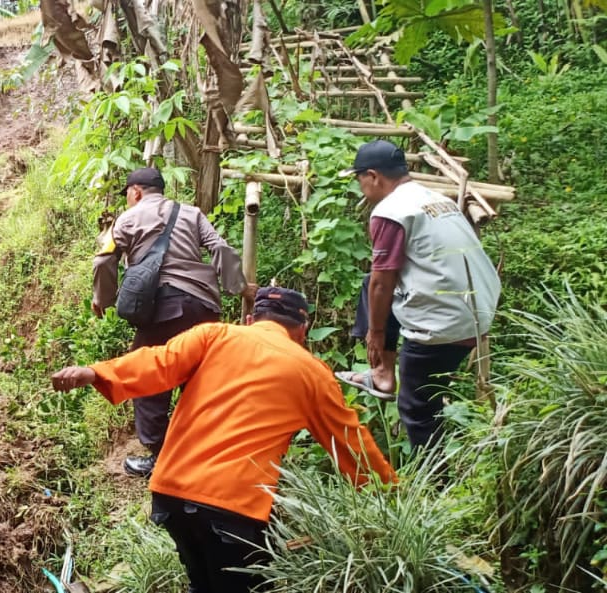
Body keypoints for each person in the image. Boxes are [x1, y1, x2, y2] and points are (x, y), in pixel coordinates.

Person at [51, 287, 397, 593]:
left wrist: (98, 372)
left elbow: (157, 363)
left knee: (203, 583)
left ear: (250, 318)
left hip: (170, 493)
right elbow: (352, 445)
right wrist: (391, 496)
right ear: (302, 330)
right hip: (234, 509)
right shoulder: (311, 372)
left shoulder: (214, 335)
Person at [333, 140, 500, 450]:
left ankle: (436, 488)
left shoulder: (391, 211)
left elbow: (384, 281)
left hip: (442, 324)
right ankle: (383, 375)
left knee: (416, 408)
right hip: (475, 311)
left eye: (359, 179)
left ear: (374, 176)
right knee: (371, 282)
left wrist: (376, 334)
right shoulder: (435, 199)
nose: (361, 188)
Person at [92, 167, 254, 477]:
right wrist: (240, 287)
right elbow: (219, 248)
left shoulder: (127, 218)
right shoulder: (191, 213)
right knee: (201, 382)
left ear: (136, 192)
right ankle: (210, 455)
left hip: (164, 307)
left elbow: (103, 259)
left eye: (127, 194)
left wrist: (103, 298)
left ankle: (164, 460)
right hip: (205, 308)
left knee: (146, 377)